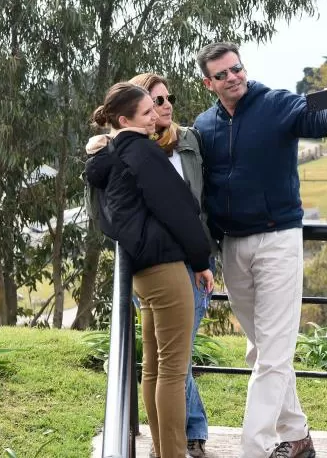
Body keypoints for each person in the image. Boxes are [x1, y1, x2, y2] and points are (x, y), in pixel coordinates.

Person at [193, 42, 327, 458]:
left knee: (273, 353)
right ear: (208, 82)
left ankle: (255, 448)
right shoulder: (205, 126)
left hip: (278, 240)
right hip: (232, 245)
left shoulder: (274, 104)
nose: (234, 77)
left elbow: (315, 119)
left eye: (237, 69)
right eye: (223, 74)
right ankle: (297, 434)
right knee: (262, 350)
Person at [85, 82, 214, 458]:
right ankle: (171, 453)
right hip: (167, 268)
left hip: (141, 270)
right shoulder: (142, 152)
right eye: (147, 112)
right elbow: (179, 209)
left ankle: (162, 451)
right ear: (125, 119)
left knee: (155, 368)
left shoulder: (110, 155)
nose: (156, 115)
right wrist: (201, 260)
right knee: (172, 371)